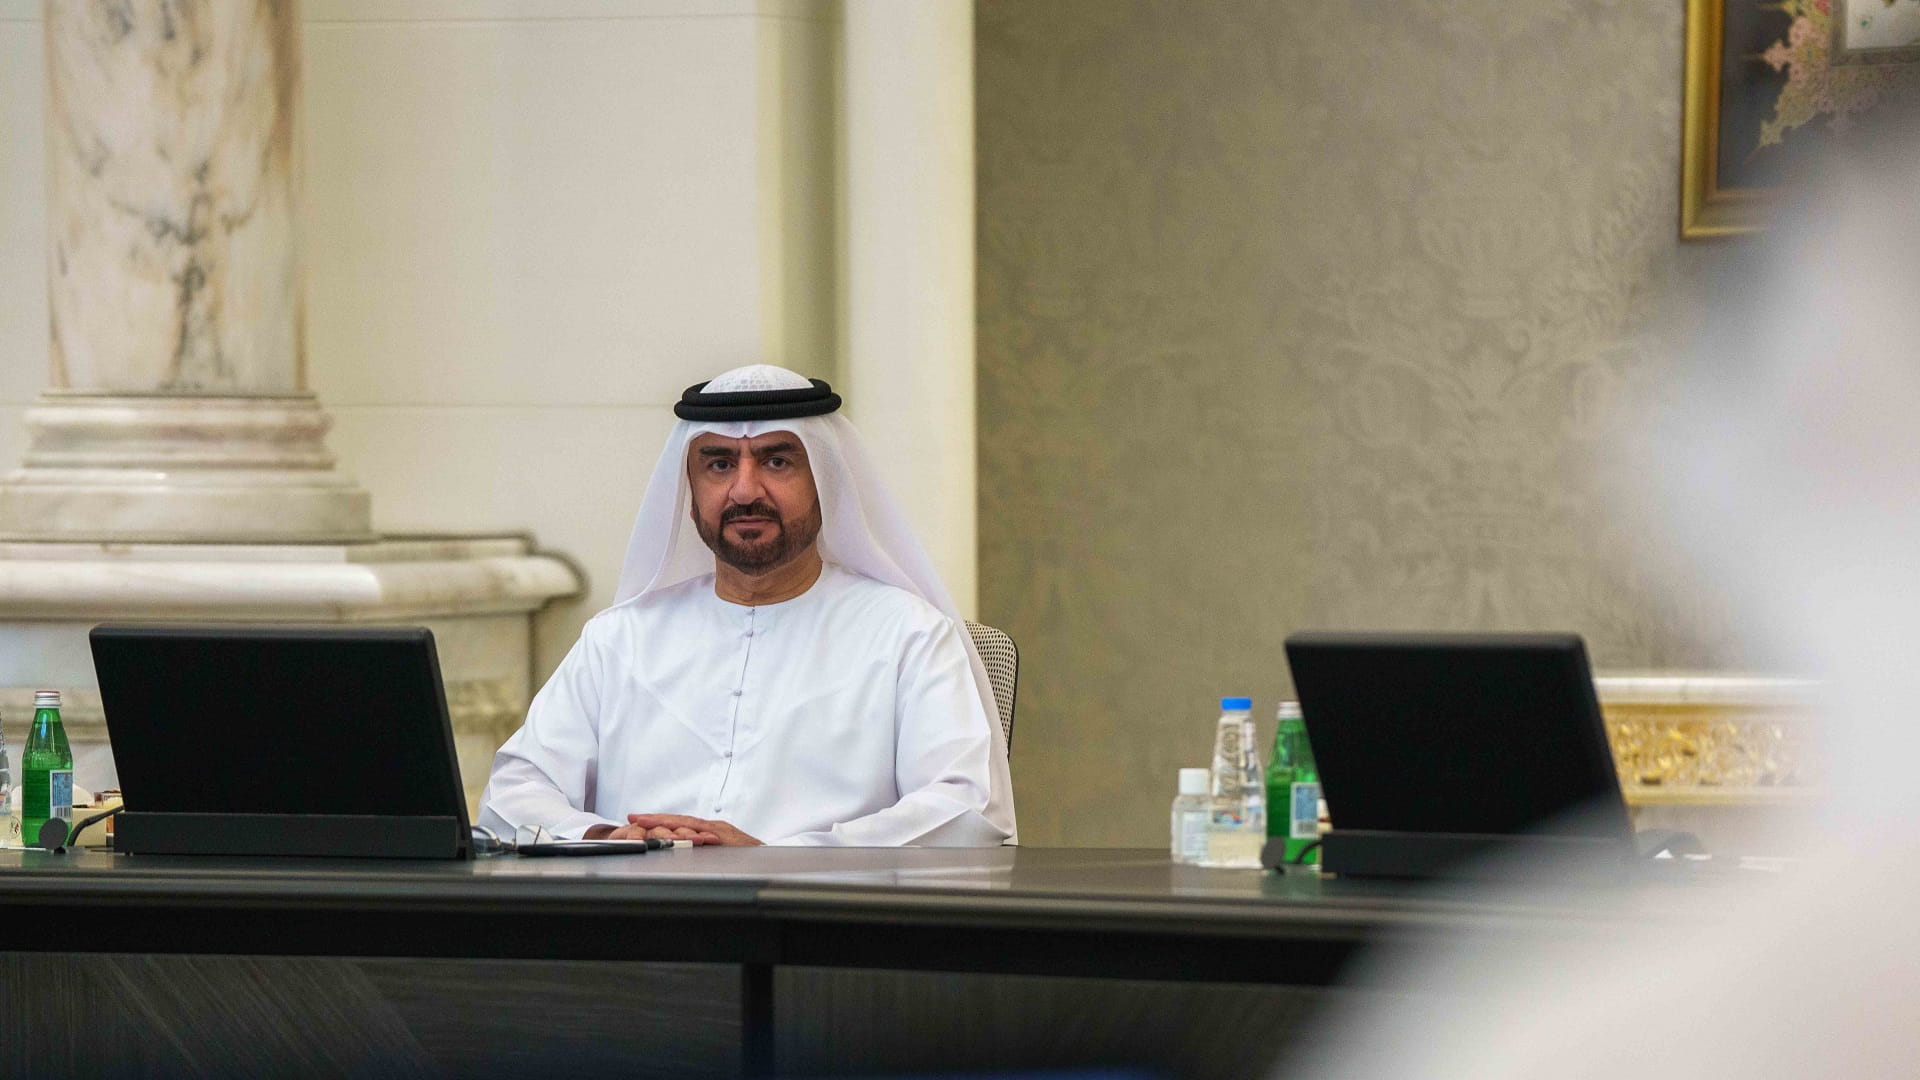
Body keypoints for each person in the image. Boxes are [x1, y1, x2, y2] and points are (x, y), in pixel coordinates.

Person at [477, 364, 1016, 846]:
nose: (744, 491)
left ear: (824, 481)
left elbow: (962, 809)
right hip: (638, 913)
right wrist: (606, 838)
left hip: (817, 915)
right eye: (718, 464)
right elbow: (513, 794)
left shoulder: (909, 633)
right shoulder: (619, 637)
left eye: (777, 461)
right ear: (690, 493)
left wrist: (777, 860)